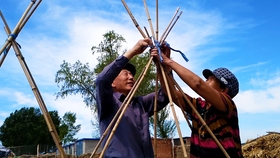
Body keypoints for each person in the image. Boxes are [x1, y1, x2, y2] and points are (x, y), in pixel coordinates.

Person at [151, 45, 243, 158]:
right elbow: (170, 92)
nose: (206, 81)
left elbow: (198, 84)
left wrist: (168, 61)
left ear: (224, 89)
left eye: (210, 79)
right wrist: (161, 66)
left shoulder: (228, 105)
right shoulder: (198, 106)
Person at [95, 38, 169, 158]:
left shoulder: (140, 104)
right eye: (126, 73)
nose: (131, 77)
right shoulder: (108, 102)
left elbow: (166, 94)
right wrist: (133, 51)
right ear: (112, 82)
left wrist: (164, 64)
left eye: (132, 75)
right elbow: (101, 80)